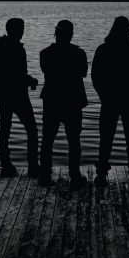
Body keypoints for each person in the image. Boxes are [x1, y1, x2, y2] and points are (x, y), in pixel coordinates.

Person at [91, 16, 129, 189]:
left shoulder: (103, 49)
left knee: (106, 138)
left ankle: (101, 174)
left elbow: (96, 75)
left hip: (109, 100)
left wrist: (103, 94)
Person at [39, 20, 88, 189]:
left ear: (56, 34)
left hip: (51, 100)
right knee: (74, 140)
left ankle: (44, 175)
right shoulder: (79, 53)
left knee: (47, 139)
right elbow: (83, 73)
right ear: (71, 34)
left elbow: (47, 71)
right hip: (73, 100)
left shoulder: (45, 53)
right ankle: (74, 174)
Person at [0, 18, 40, 178]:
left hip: (6, 94)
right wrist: (28, 81)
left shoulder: (1, 47)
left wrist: (1, 87)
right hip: (18, 96)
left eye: (23, 28)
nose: (23, 31)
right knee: (31, 129)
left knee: (5, 129)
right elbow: (15, 74)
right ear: (13, 30)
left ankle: (7, 165)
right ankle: (32, 166)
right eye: (20, 28)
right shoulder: (13, 48)